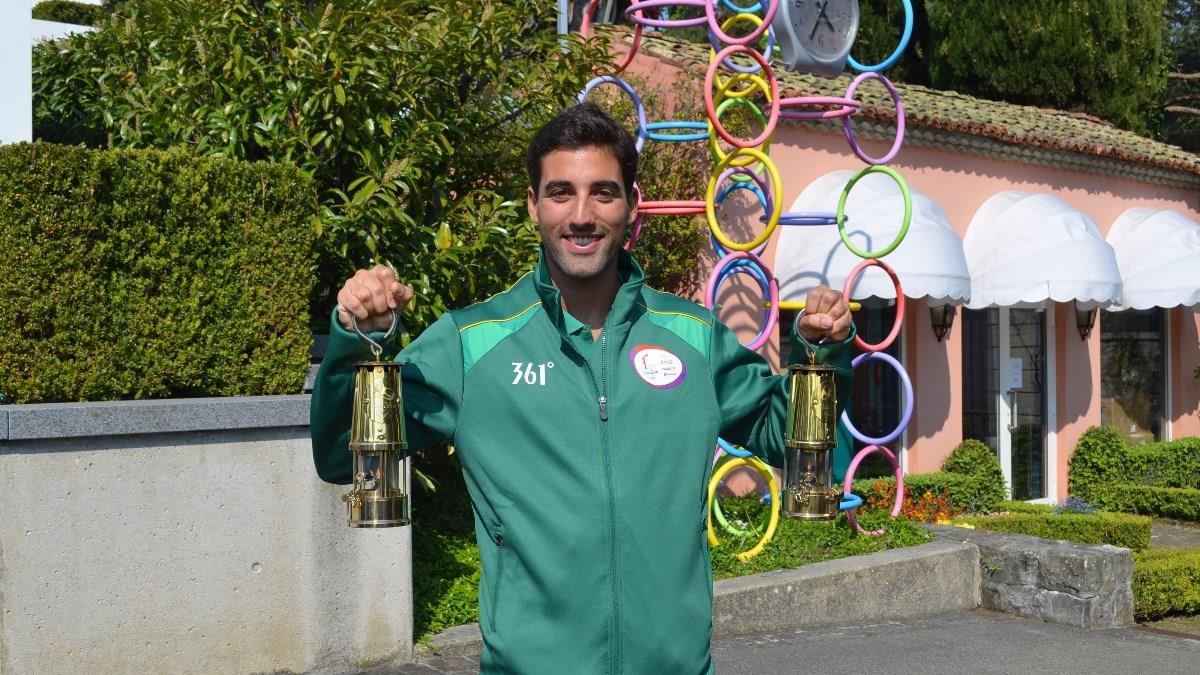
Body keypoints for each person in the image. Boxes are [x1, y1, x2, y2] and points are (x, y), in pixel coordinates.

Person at [310, 103, 854, 674]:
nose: (581, 215)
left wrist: (822, 353)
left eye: (603, 192)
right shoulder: (472, 343)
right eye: (561, 193)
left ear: (632, 205)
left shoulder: (693, 335)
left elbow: (782, 433)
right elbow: (341, 453)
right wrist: (356, 341)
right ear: (533, 205)